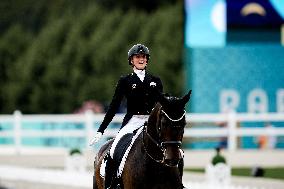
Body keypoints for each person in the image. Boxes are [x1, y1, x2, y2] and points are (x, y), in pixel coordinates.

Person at [90, 44, 163, 188]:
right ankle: (111, 184)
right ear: (131, 61)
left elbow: (162, 104)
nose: (141, 59)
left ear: (147, 60)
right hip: (133, 121)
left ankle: (176, 182)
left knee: (173, 151)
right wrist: (101, 130)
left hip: (151, 122)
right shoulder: (125, 81)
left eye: (143, 57)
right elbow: (113, 106)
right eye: (138, 57)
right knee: (114, 150)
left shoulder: (156, 81)